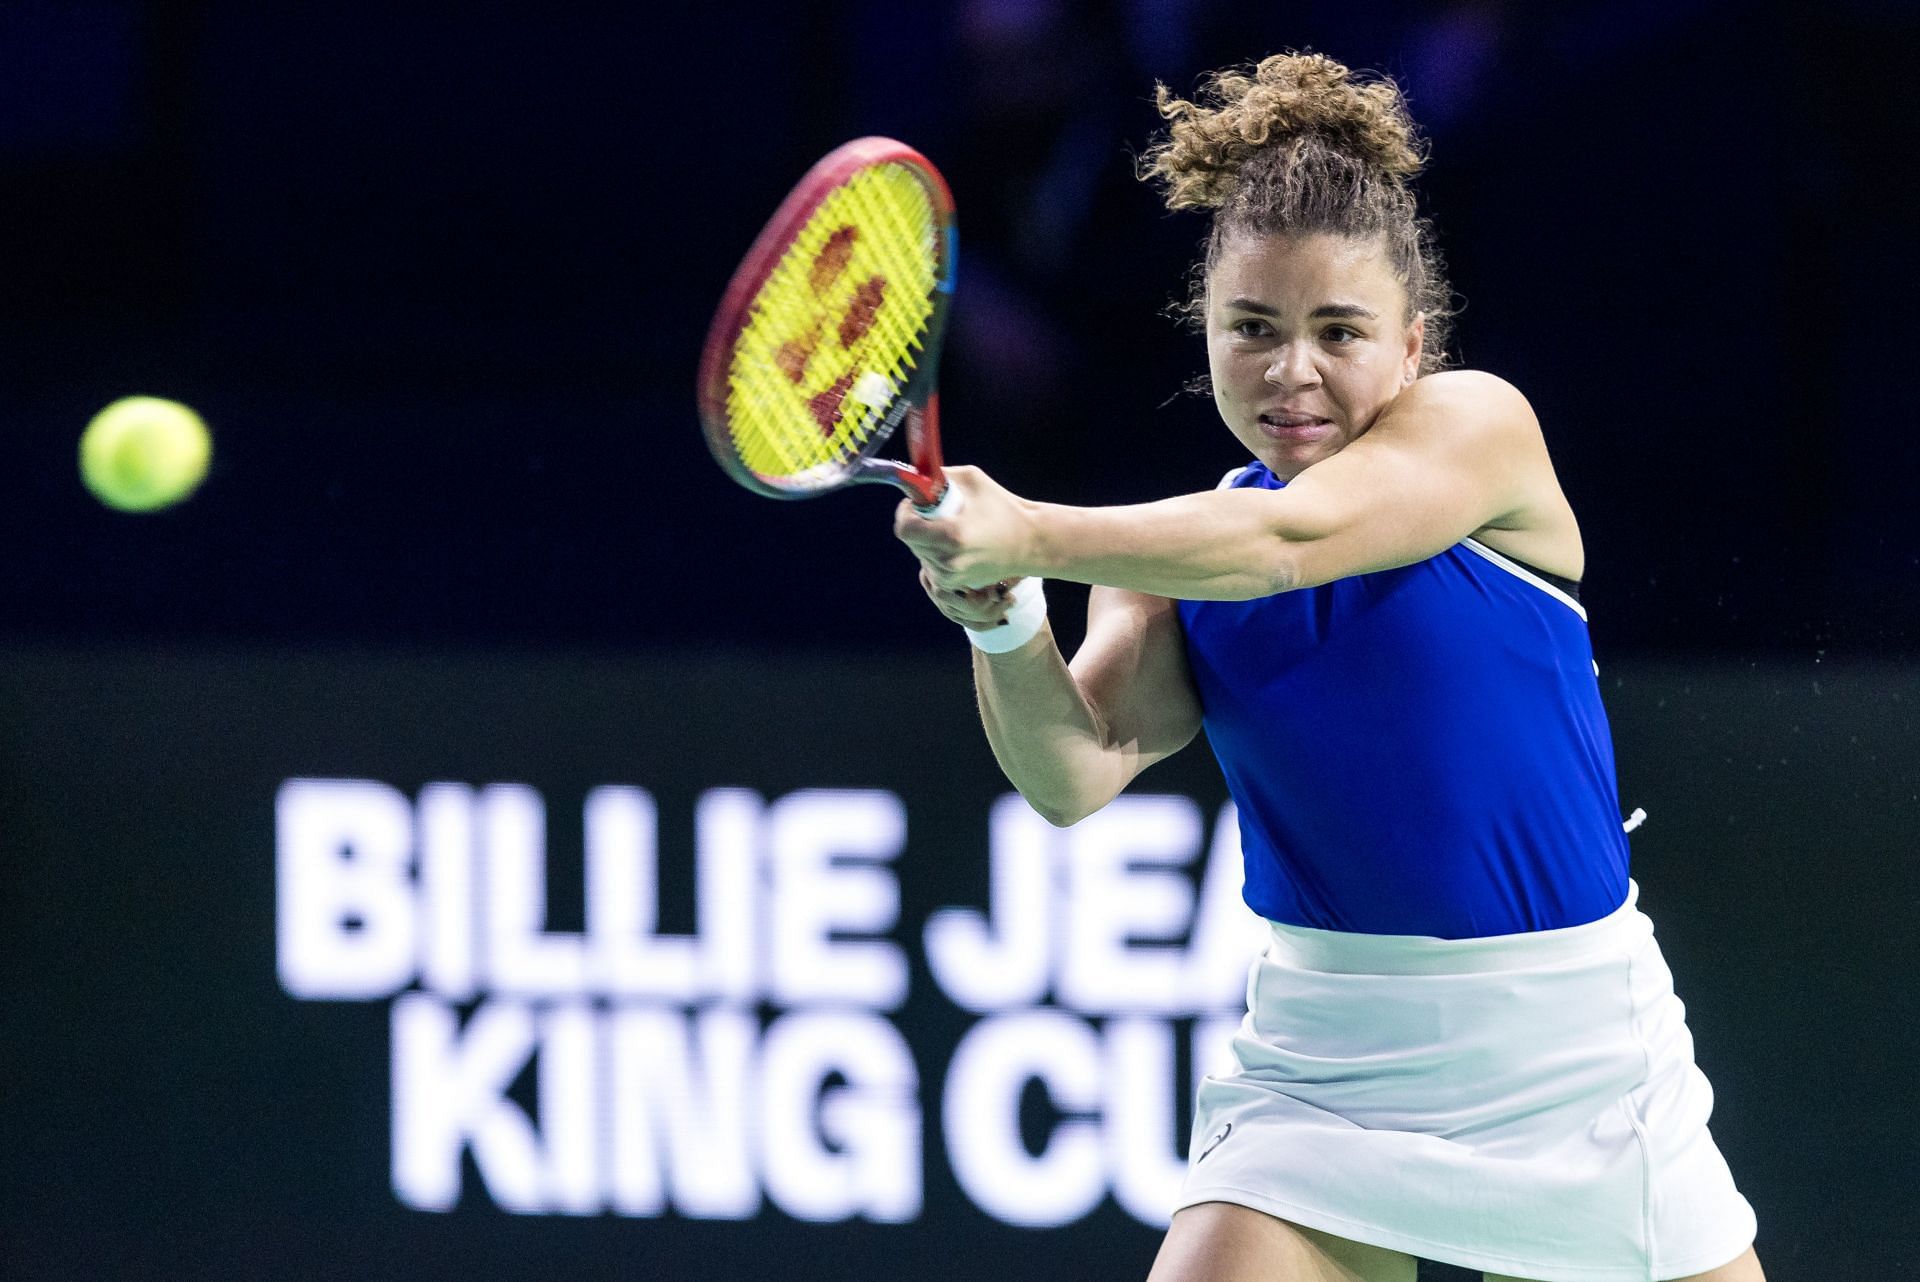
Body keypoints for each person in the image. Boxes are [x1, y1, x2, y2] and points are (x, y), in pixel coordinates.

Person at [893, 51, 1765, 1282]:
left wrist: (1029, 527)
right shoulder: (1162, 558)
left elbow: (1286, 543)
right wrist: (1001, 620)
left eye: (1336, 332)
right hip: (1323, 1064)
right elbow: (1074, 769)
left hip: (1573, 1054)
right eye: (1251, 329)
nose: (1290, 370)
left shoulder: (1480, 428)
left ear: (1413, 344)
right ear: (1204, 338)